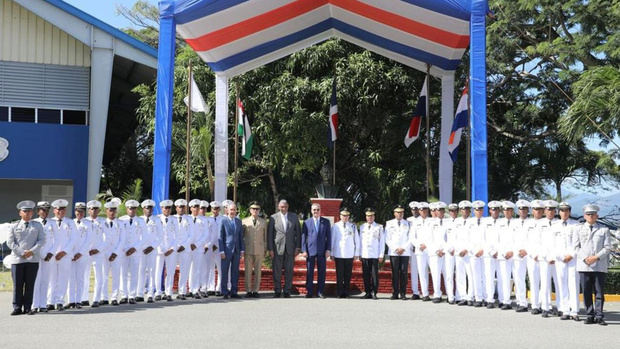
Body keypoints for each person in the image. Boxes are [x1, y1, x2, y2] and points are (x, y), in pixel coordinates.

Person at [574, 204, 612, 326]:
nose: (591, 216)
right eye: (588, 214)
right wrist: (585, 258)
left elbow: (608, 248)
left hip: (599, 265)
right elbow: (575, 247)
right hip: (584, 265)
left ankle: (599, 315)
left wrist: (596, 257)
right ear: (585, 216)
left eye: (593, 214)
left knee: (599, 292)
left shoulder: (604, 230)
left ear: (597, 216)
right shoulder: (578, 229)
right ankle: (589, 315)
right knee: (586, 292)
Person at [7, 200, 45, 315]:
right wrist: (22, 252)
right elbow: (10, 242)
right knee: (18, 285)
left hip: (32, 259)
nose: (27, 213)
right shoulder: (14, 225)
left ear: (32, 213)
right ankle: (17, 307)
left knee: (30, 284)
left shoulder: (37, 225)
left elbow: (41, 240)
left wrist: (31, 252)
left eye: (29, 211)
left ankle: (28, 307)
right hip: (17, 259)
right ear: (20, 213)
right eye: (25, 211)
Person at [268, 199, 301, 298]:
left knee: (289, 271)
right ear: (279, 207)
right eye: (282, 207)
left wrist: (298, 247)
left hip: (290, 248)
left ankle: (287, 290)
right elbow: (270, 234)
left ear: (288, 207)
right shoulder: (273, 217)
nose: (284, 208)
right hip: (277, 248)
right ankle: (277, 290)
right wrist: (270, 249)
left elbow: (298, 233)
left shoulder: (294, 217)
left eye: (285, 207)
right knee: (277, 270)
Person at [553, 202, 579, 321]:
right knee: (562, 284)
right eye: (562, 210)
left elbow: (578, 243)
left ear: (569, 212)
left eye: (566, 210)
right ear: (559, 212)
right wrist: (560, 256)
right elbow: (552, 244)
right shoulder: (554, 226)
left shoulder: (576, 225)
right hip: (560, 260)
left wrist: (571, 255)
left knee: (573, 285)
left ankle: (574, 311)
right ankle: (565, 310)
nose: (564, 213)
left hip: (572, 259)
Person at [49, 199, 77, 311]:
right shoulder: (49, 222)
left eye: (62, 209)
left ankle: (60, 301)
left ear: (65, 210)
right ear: (54, 210)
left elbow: (73, 239)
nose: (60, 211)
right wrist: (52, 252)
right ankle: (50, 301)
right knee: (51, 279)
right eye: (58, 209)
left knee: (63, 279)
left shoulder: (70, 223)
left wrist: (64, 252)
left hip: (65, 255)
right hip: (51, 255)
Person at [301, 203, 331, 298]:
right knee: (310, 272)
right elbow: (303, 237)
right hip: (310, 251)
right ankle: (309, 292)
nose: (316, 211)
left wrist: (328, 249)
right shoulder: (306, 222)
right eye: (314, 210)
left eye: (317, 209)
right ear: (311, 210)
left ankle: (320, 292)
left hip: (322, 251)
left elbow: (329, 237)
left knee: (322, 272)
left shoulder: (326, 222)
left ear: (320, 210)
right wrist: (304, 250)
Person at [119, 199, 146, 304]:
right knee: (123, 273)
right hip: (123, 250)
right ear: (127, 209)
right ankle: (124, 295)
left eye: (134, 208)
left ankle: (132, 295)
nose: (132, 210)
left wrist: (135, 248)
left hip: (135, 251)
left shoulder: (141, 221)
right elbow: (119, 236)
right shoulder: (121, 220)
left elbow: (144, 237)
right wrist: (123, 248)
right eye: (130, 208)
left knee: (134, 273)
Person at [67, 202, 93, 309]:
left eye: (82, 211)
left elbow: (89, 241)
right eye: (78, 211)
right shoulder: (70, 223)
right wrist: (71, 253)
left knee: (80, 278)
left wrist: (80, 253)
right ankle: (71, 300)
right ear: (75, 212)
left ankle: (79, 300)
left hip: (83, 255)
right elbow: (68, 239)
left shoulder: (88, 224)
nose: (80, 213)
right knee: (71, 278)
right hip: (71, 255)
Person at [330, 208, 360, 298]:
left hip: (349, 254)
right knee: (339, 274)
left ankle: (346, 292)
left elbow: (357, 241)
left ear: (349, 216)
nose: (345, 217)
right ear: (340, 216)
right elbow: (332, 240)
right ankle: (339, 292)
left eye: (347, 215)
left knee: (347, 274)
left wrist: (356, 253)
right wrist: (332, 253)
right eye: (343, 215)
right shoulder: (335, 226)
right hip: (339, 254)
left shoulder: (353, 226)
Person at [101, 200, 126, 305]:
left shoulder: (121, 224)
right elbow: (99, 239)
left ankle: (114, 297)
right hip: (104, 253)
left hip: (117, 254)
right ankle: (104, 297)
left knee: (116, 276)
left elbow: (122, 239)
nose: (112, 212)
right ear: (106, 211)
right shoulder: (101, 223)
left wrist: (115, 253)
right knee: (104, 276)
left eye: (114, 210)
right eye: (110, 210)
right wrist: (104, 251)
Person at [539, 200, 560, 317]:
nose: (550, 211)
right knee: (545, 284)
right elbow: (537, 242)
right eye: (548, 209)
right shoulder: (539, 224)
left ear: (555, 210)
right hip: (544, 258)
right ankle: (545, 307)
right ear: (544, 211)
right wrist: (546, 256)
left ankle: (560, 306)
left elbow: (560, 243)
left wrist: (555, 256)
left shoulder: (560, 223)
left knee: (559, 284)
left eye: (552, 209)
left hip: (557, 259)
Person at [219, 203, 245, 299]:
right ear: (227, 210)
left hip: (237, 250)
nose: (233, 211)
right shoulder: (223, 221)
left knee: (235, 272)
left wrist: (242, 250)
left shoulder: (238, 221)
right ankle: (224, 291)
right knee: (224, 271)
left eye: (234, 210)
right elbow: (220, 237)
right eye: (231, 210)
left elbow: (240, 237)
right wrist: (221, 251)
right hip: (226, 250)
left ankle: (234, 291)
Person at [242, 201, 267, 298]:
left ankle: (256, 290)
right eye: (253, 209)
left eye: (257, 209)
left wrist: (265, 249)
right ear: (250, 210)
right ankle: (248, 290)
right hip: (248, 249)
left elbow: (265, 237)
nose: (255, 210)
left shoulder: (263, 222)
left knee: (258, 271)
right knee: (248, 271)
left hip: (259, 249)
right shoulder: (244, 221)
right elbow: (242, 236)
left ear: (259, 210)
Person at [32, 201, 53, 313]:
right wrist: (38, 253)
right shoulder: (33, 223)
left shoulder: (53, 223)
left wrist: (51, 252)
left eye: (47, 210)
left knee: (45, 280)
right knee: (36, 280)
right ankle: (34, 305)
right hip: (36, 255)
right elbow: (32, 240)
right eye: (42, 210)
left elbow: (56, 240)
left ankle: (43, 304)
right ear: (38, 211)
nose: (45, 212)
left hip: (49, 256)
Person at [385, 205, 410, 300]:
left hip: (405, 252)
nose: (399, 214)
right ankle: (395, 293)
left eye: (401, 212)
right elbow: (387, 238)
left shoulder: (408, 223)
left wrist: (403, 248)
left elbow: (410, 237)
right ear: (394, 213)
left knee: (404, 272)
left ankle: (403, 293)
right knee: (395, 272)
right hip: (394, 252)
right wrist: (396, 248)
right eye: (398, 212)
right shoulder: (389, 223)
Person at [359, 207, 384, 299]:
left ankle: (374, 292)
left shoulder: (379, 227)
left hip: (374, 254)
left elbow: (382, 242)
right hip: (365, 254)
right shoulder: (362, 227)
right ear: (366, 217)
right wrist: (359, 254)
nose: (369, 218)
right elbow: (360, 241)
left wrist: (381, 254)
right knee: (365, 275)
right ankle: (367, 292)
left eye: (371, 216)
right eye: (368, 216)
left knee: (374, 275)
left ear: (374, 217)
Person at [140, 199, 161, 303]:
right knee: (141, 270)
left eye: (150, 208)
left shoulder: (157, 220)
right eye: (146, 208)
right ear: (143, 209)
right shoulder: (139, 220)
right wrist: (141, 247)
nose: (148, 210)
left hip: (152, 249)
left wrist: (152, 246)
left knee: (152, 271)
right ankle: (139, 293)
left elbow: (160, 236)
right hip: (141, 249)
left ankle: (150, 293)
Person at [511, 199, 531, 312]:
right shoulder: (514, 223)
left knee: (534, 280)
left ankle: (538, 304)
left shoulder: (532, 223)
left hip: (530, 254)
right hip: (518, 254)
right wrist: (517, 251)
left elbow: (535, 240)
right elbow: (510, 240)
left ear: (528, 210)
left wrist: (527, 250)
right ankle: (521, 302)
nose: (522, 210)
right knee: (519, 279)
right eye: (520, 208)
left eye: (524, 209)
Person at [85, 200, 106, 307]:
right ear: (88, 210)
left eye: (95, 209)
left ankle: (96, 299)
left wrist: (98, 249)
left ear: (99, 210)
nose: (93, 211)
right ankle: (84, 298)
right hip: (86, 253)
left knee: (99, 276)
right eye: (91, 209)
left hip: (98, 252)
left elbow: (107, 238)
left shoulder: (103, 222)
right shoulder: (84, 222)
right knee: (85, 276)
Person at [156, 199, 178, 301]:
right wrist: (160, 248)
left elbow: (178, 236)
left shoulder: (175, 220)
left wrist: (172, 248)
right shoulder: (157, 219)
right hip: (159, 249)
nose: (167, 210)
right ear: (161, 208)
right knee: (158, 271)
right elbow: (154, 236)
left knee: (170, 271)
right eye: (165, 208)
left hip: (171, 249)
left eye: (169, 208)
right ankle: (158, 292)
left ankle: (168, 292)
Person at [188, 199, 209, 299]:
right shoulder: (186, 219)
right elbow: (183, 233)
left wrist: (196, 244)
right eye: (194, 207)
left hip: (198, 248)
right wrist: (188, 244)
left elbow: (206, 235)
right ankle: (189, 289)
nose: (196, 209)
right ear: (190, 208)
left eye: (197, 207)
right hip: (187, 248)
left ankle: (195, 289)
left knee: (197, 269)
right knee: (188, 269)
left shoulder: (204, 220)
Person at [466, 200, 486, 307]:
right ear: (474, 211)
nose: (478, 212)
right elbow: (467, 239)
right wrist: (473, 251)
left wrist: (483, 250)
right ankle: (478, 298)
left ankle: (485, 297)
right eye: (476, 210)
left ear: (483, 211)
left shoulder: (487, 222)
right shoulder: (469, 223)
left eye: (480, 210)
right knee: (475, 276)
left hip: (484, 252)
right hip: (473, 253)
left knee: (485, 276)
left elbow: (489, 238)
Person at [427, 202, 448, 303]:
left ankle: (450, 295)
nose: (439, 212)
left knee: (447, 274)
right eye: (437, 210)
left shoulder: (449, 222)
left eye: (441, 210)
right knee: (435, 275)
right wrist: (436, 250)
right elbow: (429, 239)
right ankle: (437, 294)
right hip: (434, 253)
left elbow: (450, 239)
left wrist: (444, 250)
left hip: (446, 253)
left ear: (444, 211)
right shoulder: (430, 224)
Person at [497, 201, 516, 310]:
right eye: (505, 210)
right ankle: (503, 300)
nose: (507, 212)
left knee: (517, 279)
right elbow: (496, 240)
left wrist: (513, 251)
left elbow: (519, 240)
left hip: (514, 255)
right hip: (503, 255)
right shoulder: (499, 223)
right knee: (503, 278)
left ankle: (519, 301)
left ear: (512, 211)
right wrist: (502, 253)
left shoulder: (517, 223)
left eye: (509, 210)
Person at [455, 200, 474, 306]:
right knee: (460, 275)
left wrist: (467, 249)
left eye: (467, 209)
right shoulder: (456, 222)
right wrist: (458, 250)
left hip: (468, 252)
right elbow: (453, 238)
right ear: (460, 211)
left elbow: (475, 239)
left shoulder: (473, 222)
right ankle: (462, 296)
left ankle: (470, 296)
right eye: (463, 209)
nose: (465, 211)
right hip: (459, 253)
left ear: (470, 211)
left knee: (470, 275)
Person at [410, 202, 431, 301]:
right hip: (419, 251)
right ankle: (425, 294)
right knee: (422, 273)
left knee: (433, 272)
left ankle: (436, 294)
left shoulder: (432, 221)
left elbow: (434, 236)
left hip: (430, 250)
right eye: (421, 210)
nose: (423, 211)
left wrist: (427, 245)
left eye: (425, 209)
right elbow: (412, 237)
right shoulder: (415, 222)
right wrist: (419, 245)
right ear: (419, 211)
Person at [483, 200, 501, 308]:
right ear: (490, 210)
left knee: (502, 277)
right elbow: (483, 239)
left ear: (499, 210)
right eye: (492, 209)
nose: (494, 211)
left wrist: (499, 252)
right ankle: (489, 299)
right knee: (488, 277)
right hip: (489, 254)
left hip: (500, 254)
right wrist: (491, 251)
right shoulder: (485, 222)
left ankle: (503, 299)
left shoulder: (503, 222)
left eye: (496, 209)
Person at [528, 199, 545, 314]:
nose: (537, 211)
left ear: (543, 211)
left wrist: (541, 254)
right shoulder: (528, 224)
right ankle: (535, 304)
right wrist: (532, 253)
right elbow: (524, 241)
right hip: (531, 256)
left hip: (543, 257)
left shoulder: (548, 223)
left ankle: (544, 305)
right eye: (535, 209)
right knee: (533, 281)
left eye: (539, 209)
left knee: (544, 282)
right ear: (532, 210)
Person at [173, 199, 192, 299]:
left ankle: (182, 291)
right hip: (174, 248)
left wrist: (184, 245)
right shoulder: (172, 219)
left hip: (185, 248)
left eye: (183, 207)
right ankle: (168, 292)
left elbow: (191, 235)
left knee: (184, 271)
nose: (181, 209)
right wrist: (175, 246)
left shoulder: (189, 219)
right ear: (176, 208)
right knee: (171, 271)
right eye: (179, 207)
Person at [206, 201, 225, 296]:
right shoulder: (208, 219)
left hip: (219, 246)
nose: (215, 210)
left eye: (217, 208)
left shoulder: (223, 219)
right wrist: (209, 244)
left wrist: (217, 245)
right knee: (210, 267)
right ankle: (211, 287)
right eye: (213, 209)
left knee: (220, 268)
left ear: (219, 209)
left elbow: (222, 234)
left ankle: (219, 287)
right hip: (209, 246)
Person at [444, 203, 459, 304]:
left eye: (455, 211)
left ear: (458, 212)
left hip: (458, 252)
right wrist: (449, 249)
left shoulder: (461, 222)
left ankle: (458, 296)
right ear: (449, 212)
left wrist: (457, 249)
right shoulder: (446, 223)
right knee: (449, 275)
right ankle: (450, 296)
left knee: (459, 275)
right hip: (449, 252)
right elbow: (442, 239)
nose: (453, 213)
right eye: (451, 211)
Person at [406, 201, 420, 300]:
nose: (414, 211)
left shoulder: (425, 219)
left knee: (423, 271)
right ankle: (415, 292)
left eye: (416, 209)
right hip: (412, 249)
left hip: (424, 249)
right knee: (414, 271)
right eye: (412, 209)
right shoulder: (408, 220)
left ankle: (425, 291)